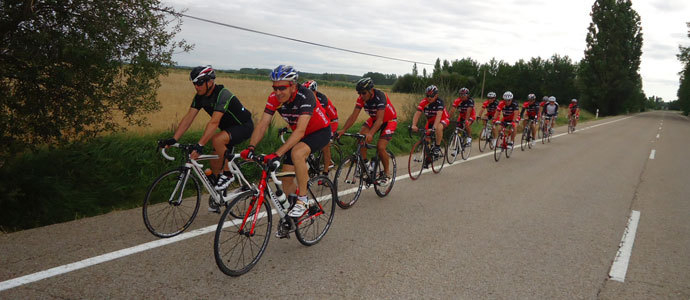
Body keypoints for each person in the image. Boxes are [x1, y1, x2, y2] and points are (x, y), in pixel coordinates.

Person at [241, 65, 331, 219]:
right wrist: (251, 147)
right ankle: (300, 211)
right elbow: (263, 124)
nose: (277, 92)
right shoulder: (274, 98)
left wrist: (277, 154)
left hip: (319, 131)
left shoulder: (306, 96)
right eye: (274, 88)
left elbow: (301, 131)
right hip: (300, 134)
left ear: (293, 86)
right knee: (286, 179)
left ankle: (302, 200)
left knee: (297, 153)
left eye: (282, 88)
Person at [159, 66, 253, 213]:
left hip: (243, 126)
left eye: (200, 83)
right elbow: (188, 118)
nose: (197, 87)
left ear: (210, 81)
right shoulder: (200, 97)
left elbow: (214, 123)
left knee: (216, 140)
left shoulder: (223, 94)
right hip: (227, 130)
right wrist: (173, 139)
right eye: (195, 84)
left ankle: (228, 174)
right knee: (214, 162)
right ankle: (218, 194)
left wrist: (200, 145)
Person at [337, 77, 397, 186]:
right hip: (374, 119)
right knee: (361, 138)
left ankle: (387, 174)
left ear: (371, 90)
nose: (361, 96)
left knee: (380, 147)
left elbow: (380, 120)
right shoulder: (361, 99)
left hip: (388, 120)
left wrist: (371, 133)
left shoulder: (380, 97)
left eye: (364, 93)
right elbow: (353, 116)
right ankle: (366, 166)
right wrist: (343, 129)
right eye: (359, 93)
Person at [302, 80, 339, 175]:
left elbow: (330, 116)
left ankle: (325, 172)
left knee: (325, 145)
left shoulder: (322, 99)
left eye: (309, 92)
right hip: (319, 123)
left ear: (314, 91)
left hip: (331, 122)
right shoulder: (304, 99)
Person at [411, 85, 450, 157]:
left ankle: (437, 147)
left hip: (443, 119)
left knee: (438, 128)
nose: (429, 97)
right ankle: (428, 158)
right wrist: (414, 125)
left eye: (432, 96)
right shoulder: (424, 102)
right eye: (427, 95)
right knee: (426, 138)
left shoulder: (439, 102)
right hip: (431, 121)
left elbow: (439, 116)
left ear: (436, 95)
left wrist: (434, 128)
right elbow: (417, 113)